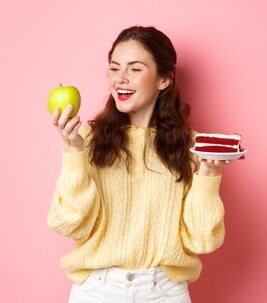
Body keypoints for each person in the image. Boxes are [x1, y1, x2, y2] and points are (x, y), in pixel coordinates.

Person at [48, 25, 231, 303]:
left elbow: (203, 239)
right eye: (114, 68)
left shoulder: (192, 147)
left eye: (135, 69)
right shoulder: (86, 138)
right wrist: (74, 151)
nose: (120, 79)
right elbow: (70, 225)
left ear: (164, 80)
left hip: (165, 292)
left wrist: (208, 174)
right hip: (97, 291)